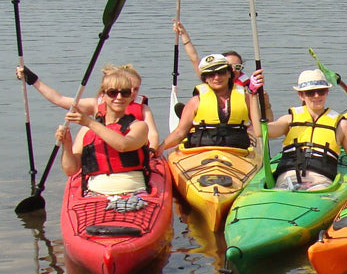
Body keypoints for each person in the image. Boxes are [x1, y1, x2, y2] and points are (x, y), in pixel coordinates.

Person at [266, 70, 347, 190]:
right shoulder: (289, 120)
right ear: (301, 95)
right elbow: (260, 131)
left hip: (320, 183)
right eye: (310, 92)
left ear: (327, 92)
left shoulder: (342, 125)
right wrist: (254, 96)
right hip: (288, 179)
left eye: (321, 91)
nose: (317, 96)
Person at [55, 66, 152, 195]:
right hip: (95, 193)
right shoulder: (86, 130)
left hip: (133, 192)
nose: (119, 97)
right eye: (113, 93)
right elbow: (71, 170)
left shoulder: (138, 126)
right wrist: (66, 145)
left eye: (125, 93)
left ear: (130, 97)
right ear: (103, 96)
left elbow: (123, 145)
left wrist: (89, 122)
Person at [18, 62, 160, 146]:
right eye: (128, 89)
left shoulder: (143, 109)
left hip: (133, 148)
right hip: (101, 149)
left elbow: (152, 134)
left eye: (135, 89)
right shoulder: (96, 104)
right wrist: (33, 80)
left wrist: (152, 150)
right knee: (85, 130)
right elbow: (59, 99)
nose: (133, 93)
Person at [157, 53, 262, 154]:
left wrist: (255, 95)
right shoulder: (195, 101)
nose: (216, 78)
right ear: (205, 78)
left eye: (221, 72)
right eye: (211, 74)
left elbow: (258, 127)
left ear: (229, 73)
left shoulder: (246, 98)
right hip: (202, 151)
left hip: (237, 151)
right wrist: (159, 148)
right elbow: (180, 133)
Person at [173, 22, 264, 95]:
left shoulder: (248, 86)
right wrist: (183, 35)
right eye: (229, 66)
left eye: (237, 67)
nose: (233, 69)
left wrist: (253, 91)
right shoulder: (211, 79)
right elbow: (194, 58)